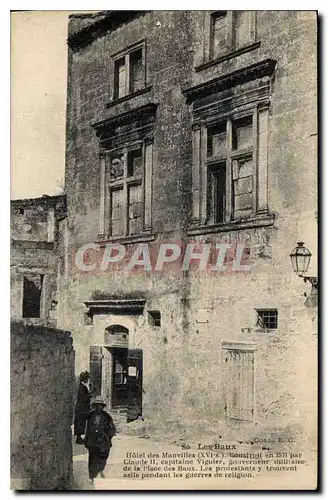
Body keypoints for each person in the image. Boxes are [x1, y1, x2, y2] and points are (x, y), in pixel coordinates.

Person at [84, 396, 116, 483]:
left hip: (103, 440)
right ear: (94, 406)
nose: (98, 407)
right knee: (92, 458)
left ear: (102, 406)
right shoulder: (90, 416)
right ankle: (91, 476)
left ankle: (100, 470)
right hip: (92, 440)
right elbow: (87, 429)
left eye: (100, 405)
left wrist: (108, 436)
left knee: (103, 457)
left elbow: (112, 428)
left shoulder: (107, 416)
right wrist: (86, 440)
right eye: (96, 405)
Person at [74, 371, 91, 444]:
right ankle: (78, 438)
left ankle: (80, 438)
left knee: (81, 423)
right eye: (87, 378)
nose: (88, 380)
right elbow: (84, 398)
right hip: (81, 408)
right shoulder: (82, 387)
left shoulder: (82, 386)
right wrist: (91, 394)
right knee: (80, 423)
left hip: (81, 407)